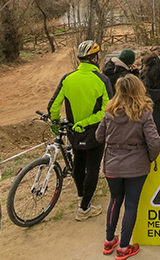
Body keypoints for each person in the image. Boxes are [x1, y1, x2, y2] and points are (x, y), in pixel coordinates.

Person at [96, 74, 160, 260]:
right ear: (138, 89)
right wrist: (150, 158)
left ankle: (109, 241)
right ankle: (124, 247)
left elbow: (99, 137)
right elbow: (154, 142)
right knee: (131, 204)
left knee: (115, 200)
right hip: (137, 165)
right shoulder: (144, 112)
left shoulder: (109, 112)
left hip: (112, 164)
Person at [48, 40, 112, 221]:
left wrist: (55, 121)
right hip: (95, 131)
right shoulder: (102, 79)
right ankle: (84, 208)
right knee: (92, 168)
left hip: (73, 131)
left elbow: (53, 105)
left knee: (78, 163)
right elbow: (108, 109)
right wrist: (87, 121)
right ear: (95, 58)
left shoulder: (68, 78)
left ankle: (80, 196)